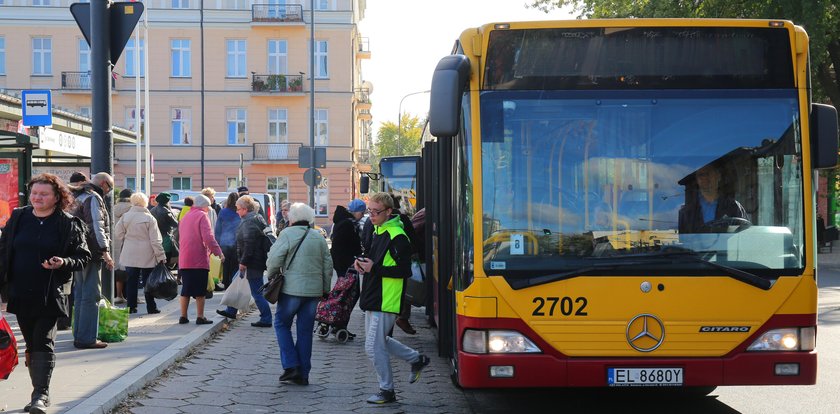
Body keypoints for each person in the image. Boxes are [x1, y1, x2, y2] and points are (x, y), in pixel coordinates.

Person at [0, 173, 91, 414]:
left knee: (43, 340)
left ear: (56, 197)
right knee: (31, 342)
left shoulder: (68, 223)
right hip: (20, 292)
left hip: (51, 293)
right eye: (34, 193)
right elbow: (3, 252)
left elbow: (83, 257)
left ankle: (40, 395)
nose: (37, 198)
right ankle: (38, 391)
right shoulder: (19, 217)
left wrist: (63, 261)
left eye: (44, 194)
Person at [354, 192, 429, 404]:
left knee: (373, 346)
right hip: (374, 293)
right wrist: (363, 265)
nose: (371, 216)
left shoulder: (397, 235)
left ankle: (387, 391)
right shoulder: (379, 229)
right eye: (370, 211)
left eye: (376, 212)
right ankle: (417, 359)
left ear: (388, 211)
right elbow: (377, 262)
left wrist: (373, 268)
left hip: (386, 297)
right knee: (380, 341)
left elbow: (404, 270)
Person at [266, 202, 332, 386]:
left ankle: (291, 365)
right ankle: (303, 374)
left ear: (291, 219)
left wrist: (271, 276)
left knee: (281, 324)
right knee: (305, 332)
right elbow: (328, 265)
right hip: (313, 292)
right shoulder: (318, 237)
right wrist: (325, 289)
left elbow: (274, 259)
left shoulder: (286, 234)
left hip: (291, 290)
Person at [69, 172, 115, 349]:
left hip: (77, 251)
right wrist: (105, 252)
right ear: (104, 184)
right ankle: (87, 338)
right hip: (90, 251)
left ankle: (79, 333)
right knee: (91, 295)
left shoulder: (78, 195)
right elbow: (97, 225)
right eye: (109, 188)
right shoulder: (93, 197)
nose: (109, 192)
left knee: (80, 294)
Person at [215, 195, 273, 326]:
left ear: (245, 209)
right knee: (236, 283)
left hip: (252, 262)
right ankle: (231, 310)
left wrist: (243, 262)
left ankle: (266, 318)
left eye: (238, 209)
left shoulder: (249, 222)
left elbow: (249, 244)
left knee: (257, 292)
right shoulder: (256, 217)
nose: (237, 211)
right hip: (255, 260)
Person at [113, 192, 167, 314]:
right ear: (145, 203)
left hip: (129, 252)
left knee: (131, 281)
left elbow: (118, 233)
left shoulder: (125, 216)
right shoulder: (149, 218)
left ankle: (131, 307)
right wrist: (161, 255)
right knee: (148, 281)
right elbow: (156, 240)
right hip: (147, 253)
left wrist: (127, 238)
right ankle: (151, 307)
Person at [177, 195, 224, 325]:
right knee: (200, 290)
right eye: (208, 206)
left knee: (185, 289)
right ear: (204, 205)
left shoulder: (185, 216)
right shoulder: (202, 216)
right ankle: (200, 316)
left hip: (185, 258)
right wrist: (218, 252)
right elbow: (208, 237)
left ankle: (183, 316)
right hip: (198, 258)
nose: (208, 209)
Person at [678, 164, 747, 233]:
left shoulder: (734, 206)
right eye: (701, 175)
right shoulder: (687, 211)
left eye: (708, 173)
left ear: (718, 176)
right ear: (697, 180)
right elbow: (683, 240)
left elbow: (744, 234)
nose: (704, 177)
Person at [214, 192, 240, 289]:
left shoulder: (223, 211)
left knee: (226, 265)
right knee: (235, 265)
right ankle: (234, 283)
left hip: (224, 243)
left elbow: (218, 228)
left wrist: (217, 242)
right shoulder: (239, 212)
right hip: (237, 243)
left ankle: (226, 283)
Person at [112, 188, 134, 304]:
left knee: (118, 269)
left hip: (115, 242)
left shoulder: (112, 208)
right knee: (132, 270)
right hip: (129, 241)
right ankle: (131, 297)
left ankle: (119, 295)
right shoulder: (132, 209)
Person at [330, 202, 363, 276]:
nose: (363, 215)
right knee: (346, 285)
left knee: (346, 285)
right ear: (356, 212)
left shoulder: (345, 221)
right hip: (345, 263)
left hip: (343, 262)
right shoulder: (347, 224)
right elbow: (340, 246)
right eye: (362, 213)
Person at [150, 192, 179, 266]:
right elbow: (175, 224)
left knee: (157, 260)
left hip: (154, 237)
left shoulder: (152, 210)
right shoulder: (166, 211)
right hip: (166, 237)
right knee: (166, 259)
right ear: (167, 201)